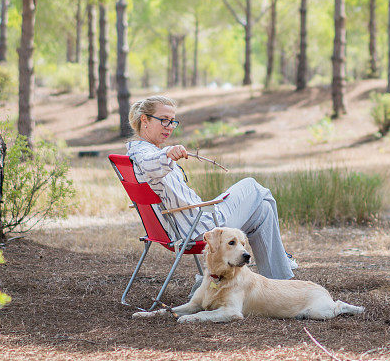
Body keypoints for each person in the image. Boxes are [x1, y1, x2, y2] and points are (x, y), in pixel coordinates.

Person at [126, 95, 296, 280]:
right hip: (197, 228)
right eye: (164, 120)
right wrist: (167, 152)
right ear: (145, 120)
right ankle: (282, 263)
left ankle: (279, 281)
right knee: (252, 185)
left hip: (191, 223)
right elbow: (150, 163)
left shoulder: (140, 152)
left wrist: (164, 153)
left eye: (172, 122)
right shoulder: (143, 153)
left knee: (263, 211)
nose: (169, 127)